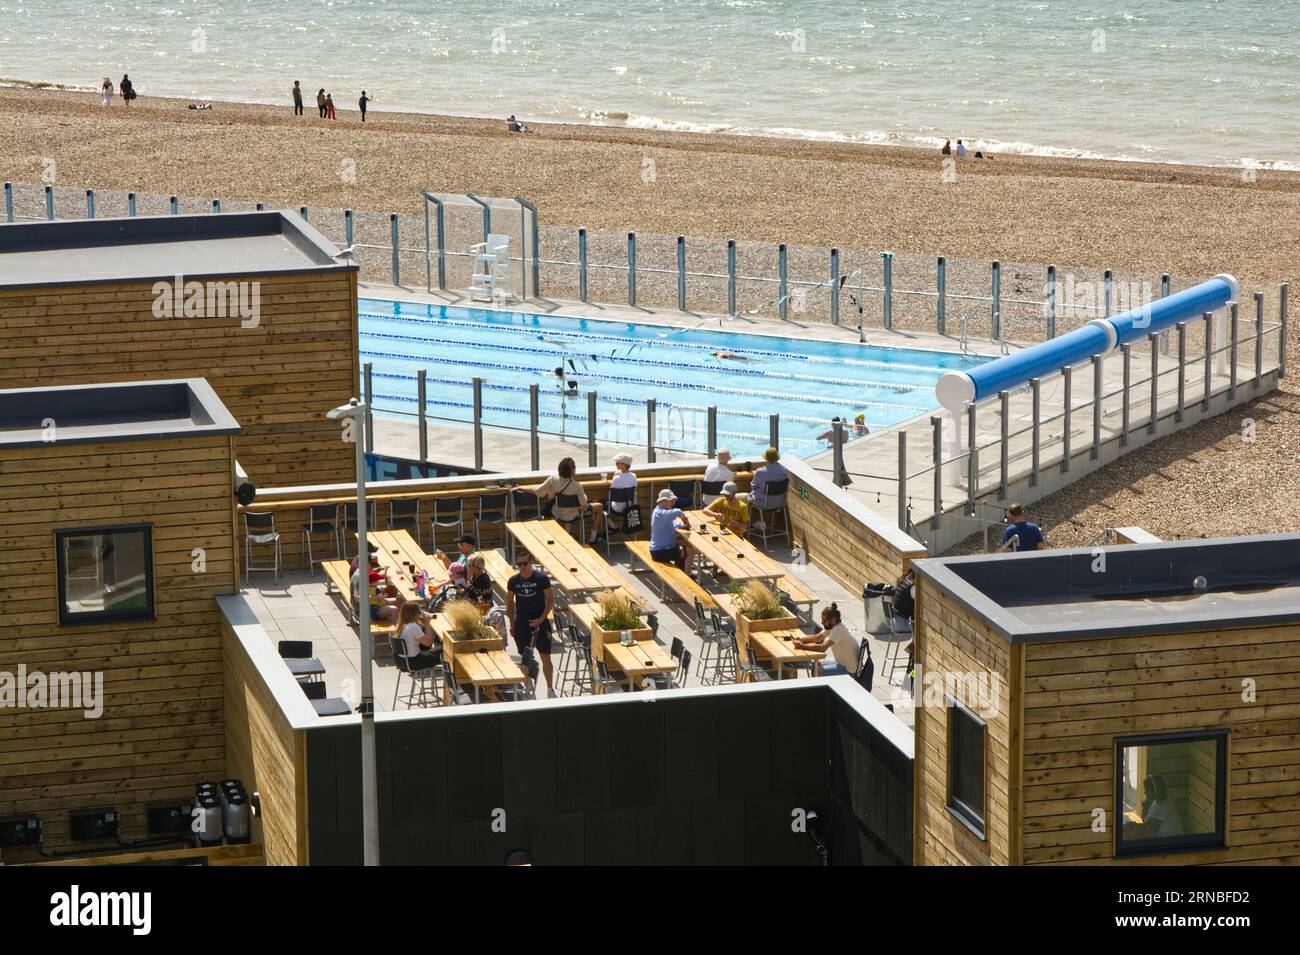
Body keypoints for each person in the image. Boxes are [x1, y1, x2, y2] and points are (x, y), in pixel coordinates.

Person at [506, 552, 556, 696]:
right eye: (519, 564)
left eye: (524, 563)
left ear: (531, 563)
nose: (522, 567)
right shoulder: (513, 581)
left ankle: (550, 689)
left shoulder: (541, 578)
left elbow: (550, 601)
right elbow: (509, 601)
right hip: (522, 622)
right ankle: (528, 686)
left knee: (545, 656)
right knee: (525, 658)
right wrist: (512, 623)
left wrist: (540, 619)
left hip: (541, 622)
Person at [794, 604, 864, 683]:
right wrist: (800, 639)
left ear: (833, 620)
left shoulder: (838, 630)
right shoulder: (832, 626)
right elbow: (817, 637)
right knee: (816, 665)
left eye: (824, 620)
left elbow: (823, 647)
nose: (821, 622)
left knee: (817, 671)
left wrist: (802, 646)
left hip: (848, 670)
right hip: (841, 663)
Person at [533, 457, 591, 537]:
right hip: (572, 515)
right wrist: (585, 496)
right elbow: (584, 506)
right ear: (572, 470)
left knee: (566, 516)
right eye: (574, 467)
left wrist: (521, 488)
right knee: (572, 516)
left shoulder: (552, 479)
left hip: (556, 513)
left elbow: (538, 492)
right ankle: (586, 538)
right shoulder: (577, 486)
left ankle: (565, 537)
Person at [591, 452, 636, 543]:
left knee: (598, 503)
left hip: (616, 508)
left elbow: (611, 492)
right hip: (629, 507)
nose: (616, 464)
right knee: (603, 504)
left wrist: (616, 475)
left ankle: (593, 537)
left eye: (617, 463)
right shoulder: (633, 477)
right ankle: (612, 526)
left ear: (623, 465)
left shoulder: (617, 478)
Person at [649, 488, 694, 572]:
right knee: (689, 550)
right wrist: (683, 516)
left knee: (684, 546)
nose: (673, 503)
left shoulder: (660, 511)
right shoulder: (660, 513)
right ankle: (686, 575)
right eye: (671, 501)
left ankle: (681, 571)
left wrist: (682, 526)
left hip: (658, 549)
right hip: (660, 552)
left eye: (674, 501)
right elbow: (676, 512)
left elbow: (672, 525)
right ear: (663, 501)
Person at [352, 552, 402, 624]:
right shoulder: (358, 577)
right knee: (394, 609)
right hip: (364, 610)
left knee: (399, 601)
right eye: (372, 566)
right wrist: (376, 597)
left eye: (374, 566)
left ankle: (404, 625)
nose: (373, 568)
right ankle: (396, 632)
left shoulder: (365, 573)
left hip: (372, 604)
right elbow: (357, 598)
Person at [395, 601, 440, 669]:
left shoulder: (401, 625)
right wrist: (427, 624)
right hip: (413, 662)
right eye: (419, 612)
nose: (420, 614)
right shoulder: (413, 627)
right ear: (414, 614)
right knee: (442, 649)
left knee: (434, 649)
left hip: (402, 661)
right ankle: (450, 676)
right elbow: (429, 643)